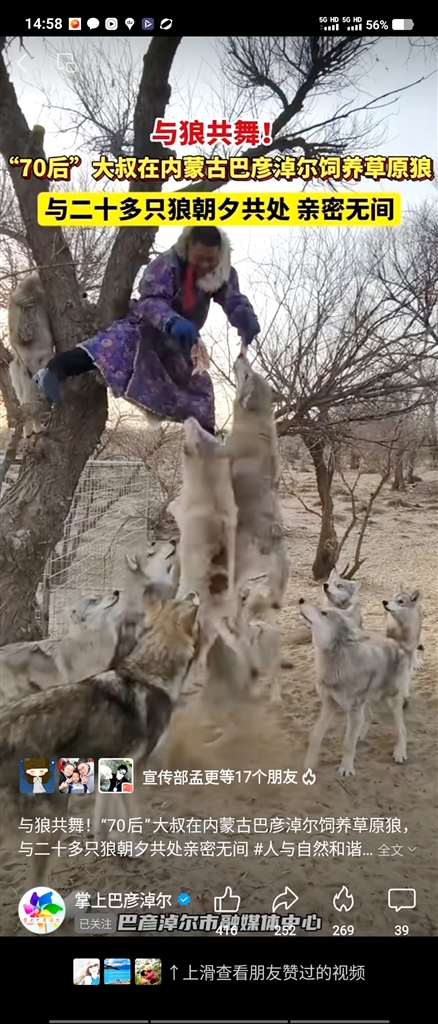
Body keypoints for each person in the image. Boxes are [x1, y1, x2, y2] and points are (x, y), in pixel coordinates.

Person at [33, 226, 260, 435]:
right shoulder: (167, 264)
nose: (204, 265)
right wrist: (171, 321)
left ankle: (207, 448)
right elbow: (151, 300)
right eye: (199, 259)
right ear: (188, 250)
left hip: (182, 341)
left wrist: (245, 319)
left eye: (210, 260)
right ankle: (55, 369)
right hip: (149, 327)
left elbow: (233, 299)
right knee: (112, 347)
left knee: (200, 394)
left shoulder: (223, 272)